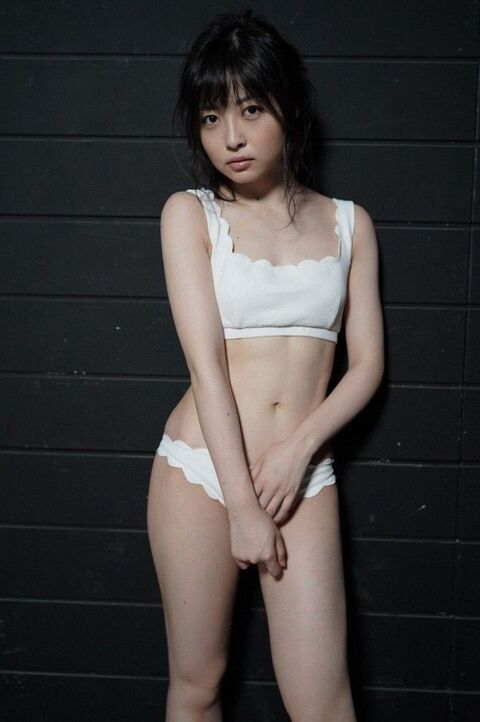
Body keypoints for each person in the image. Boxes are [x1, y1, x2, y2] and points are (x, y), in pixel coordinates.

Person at [147, 8, 384, 722]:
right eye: (211, 117)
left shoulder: (350, 223)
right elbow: (206, 368)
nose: (231, 137)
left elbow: (367, 366)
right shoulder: (189, 215)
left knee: (324, 702)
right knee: (199, 686)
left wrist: (298, 450)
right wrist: (243, 506)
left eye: (250, 109)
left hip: (300, 475)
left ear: (289, 104)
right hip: (201, 471)